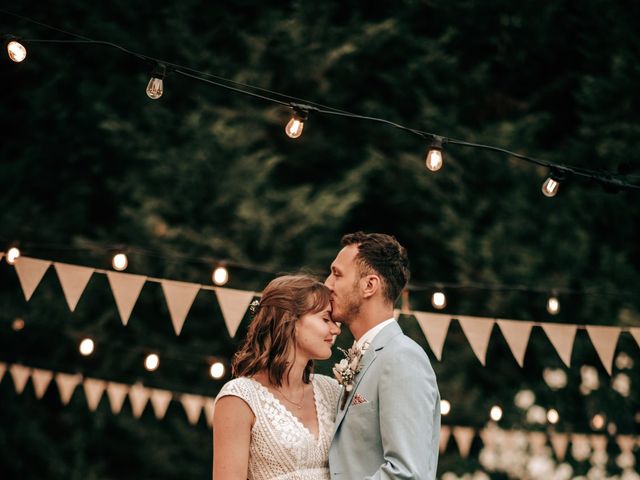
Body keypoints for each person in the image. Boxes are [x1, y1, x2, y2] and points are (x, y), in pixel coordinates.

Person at [325, 232, 441, 479]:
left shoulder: (402, 359)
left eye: (337, 274)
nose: (327, 285)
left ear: (369, 285)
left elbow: (406, 474)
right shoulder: (367, 356)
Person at [213, 275, 342, 480]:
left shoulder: (332, 390)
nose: (336, 329)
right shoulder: (239, 398)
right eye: (326, 319)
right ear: (290, 321)